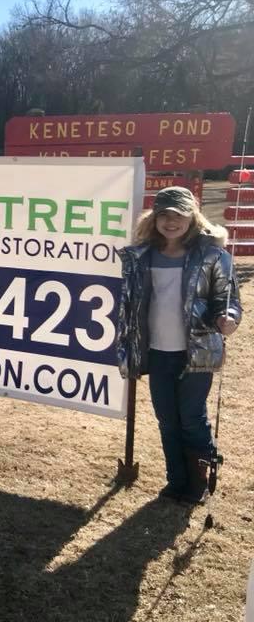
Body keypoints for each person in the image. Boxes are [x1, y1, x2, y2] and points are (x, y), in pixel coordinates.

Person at [116, 186, 242, 503]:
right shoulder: (141, 256)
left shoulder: (214, 256)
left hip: (197, 351)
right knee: (167, 420)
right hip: (157, 352)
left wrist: (227, 317)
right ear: (155, 218)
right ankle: (176, 481)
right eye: (165, 215)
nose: (171, 222)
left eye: (179, 215)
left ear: (192, 217)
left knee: (191, 417)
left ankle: (198, 483)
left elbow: (228, 301)